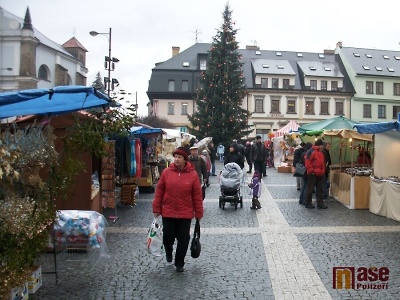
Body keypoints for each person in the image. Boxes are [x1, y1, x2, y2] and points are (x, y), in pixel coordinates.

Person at [152, 146, 204, 272]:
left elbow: (197, 195)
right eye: (175, 157)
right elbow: (159, 191)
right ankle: (168, 251)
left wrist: (198, 212)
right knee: (168, 236)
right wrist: (156, 207)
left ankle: (179, 262)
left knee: (183, 238)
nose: (176, 159)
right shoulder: (166, 172)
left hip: (185, 212)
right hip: (168, 211)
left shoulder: (192, 175)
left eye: (179, 157)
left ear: (185, 159)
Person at [304, 139, 328, 209]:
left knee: (320, 189)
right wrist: (312, 171)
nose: (323, 147)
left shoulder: (321, 152)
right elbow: (307, 162)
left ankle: (320, 203)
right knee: (310, 189)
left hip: (320, 173)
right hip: (313, 173)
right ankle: (308, 202)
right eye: (322, 145)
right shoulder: (311, 151)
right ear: (320, 145)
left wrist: (323, 171)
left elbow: (323, 163)